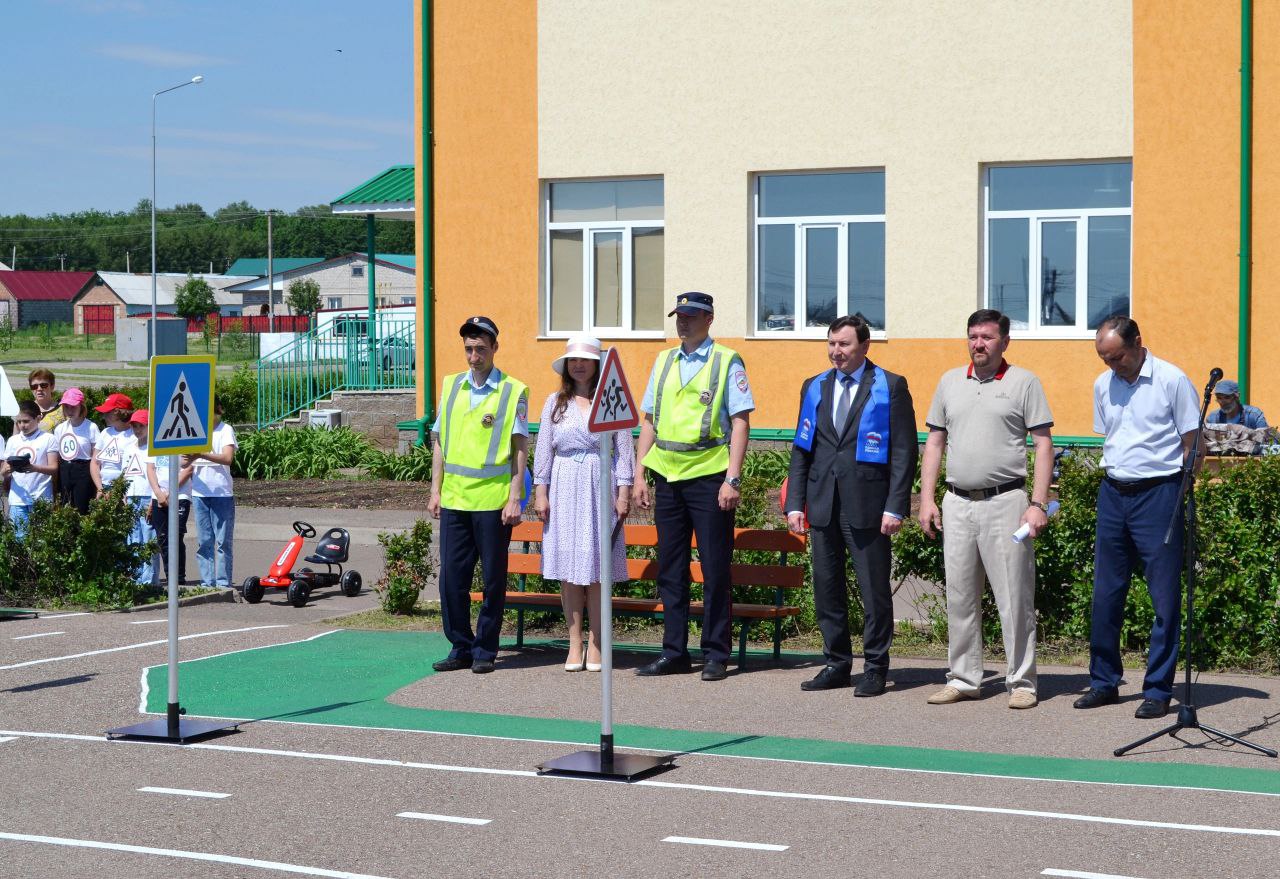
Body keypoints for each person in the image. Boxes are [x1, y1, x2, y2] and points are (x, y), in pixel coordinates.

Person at [917, 309, 1054, 710]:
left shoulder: (1024, 382)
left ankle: (1022, 682)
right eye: (973, 336)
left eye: (987, 337)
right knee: (960, 596)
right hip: (957, 502)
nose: (978, 344)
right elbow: (935, 443)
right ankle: (963, 678)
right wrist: (927, 498)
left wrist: (1038, 504)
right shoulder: (949, 382)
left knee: (1014, 597)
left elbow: (1043, 444)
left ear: (1005, 342)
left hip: (1006, 503)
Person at [1076, 315, 1202, 720]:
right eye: (1105, 359)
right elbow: (1112, 438)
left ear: (1137, 343)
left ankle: (1158, 689)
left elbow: (1193, 443)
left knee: (1164, 597)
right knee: (1106, 594)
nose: (1113, 366)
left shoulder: (1171, 380)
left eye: (1118, 357)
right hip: (1114, 493)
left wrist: (1182, 490)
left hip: (1160, 494)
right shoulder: (1103, 384)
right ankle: (1104, 682)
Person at [785, 315, 918, 697]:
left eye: (844, 344)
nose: (836, 351)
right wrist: (795, 503)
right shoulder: (815, 386)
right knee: (827, 588)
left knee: (873, 590)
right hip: (822, 503)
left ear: (864, 346)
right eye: (831, 344)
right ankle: (836, 664)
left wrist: (896, 506)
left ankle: (875, 667)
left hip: (868, 505)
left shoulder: (890, 385)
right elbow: (802, 448)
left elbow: (904, 451)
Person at [632, 292, 753, 682]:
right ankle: (674, 652)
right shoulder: (664, 360)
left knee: (715, 568)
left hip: (709, 477)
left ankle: (716, 653)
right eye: (679, 316)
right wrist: (639, 473)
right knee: (671, 569)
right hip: (667, 477)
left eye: (691, 316)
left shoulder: (727, 360)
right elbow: (649, 420)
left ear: (709, 319)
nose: (682, 322)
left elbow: (740, 422)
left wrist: (732, 478)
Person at [427, 316, 529, 675]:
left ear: (495, 348)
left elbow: (520, 448)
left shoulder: (513, 391)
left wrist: (514, 496)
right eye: (469, 349)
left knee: (492, 581)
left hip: (493, 502)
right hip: (455, 499)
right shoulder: (451, 385)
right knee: (451, 580)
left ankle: (485, 649)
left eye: (481, 349)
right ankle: (461, 646)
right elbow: (439, 442)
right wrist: (435, 490)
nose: (474, 356)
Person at [533, 336, 634, 672]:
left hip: (599, 485)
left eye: (585, 360)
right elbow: (543, 450)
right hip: (563, 485)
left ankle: (597, 642)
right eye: (573, 360)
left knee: (597, 569)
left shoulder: (611, 398)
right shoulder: (554, 403)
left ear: (596, 365)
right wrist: (541, 492)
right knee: (570, 571)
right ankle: (574, 642)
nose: (578, 365)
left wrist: (623, 492)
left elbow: (624, 450)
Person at [185, 397, 237, 588]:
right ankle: (207, 583)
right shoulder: (195, 431)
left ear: (219, 410)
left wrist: (201, 454)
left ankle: (223, 583)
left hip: (221, 493)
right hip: (199, 493)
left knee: (223, 542)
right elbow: (183, 462)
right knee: (204, 541)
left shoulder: (225, 430)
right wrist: (189, 457)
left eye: (211, 411)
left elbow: (227, 458)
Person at [1, 400, 58, 538]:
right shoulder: (13, 440)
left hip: (41, 497)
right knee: (19, 539)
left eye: (26, 421)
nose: (22, 425)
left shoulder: (48, 439)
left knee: (41, 539)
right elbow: (3, 470)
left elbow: (54, 468)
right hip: (17, 498)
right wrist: (6, 471)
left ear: (38, 418)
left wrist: (34, 468)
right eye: (19, 422)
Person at [147, 445, 194, 586]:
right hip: (158, 497)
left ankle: (179, 580)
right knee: (162, 539)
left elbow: (189, 468)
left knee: (176, 537)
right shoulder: (157, 441)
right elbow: (151, 468)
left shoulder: (185, 440)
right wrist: (157, 493)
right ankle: (171, 579)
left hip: (180, 496)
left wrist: (168, 492)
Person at [122, 409, 158, 587]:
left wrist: (153, 500)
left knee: (148, 540)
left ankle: (149, 582)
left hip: (146, 496)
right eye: (134, 426)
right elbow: (124, 474)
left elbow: (155, 476)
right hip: (131, 497)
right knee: (134, 539)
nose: (137, 430)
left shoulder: (153, 449)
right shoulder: (129, 448)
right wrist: (123, 495)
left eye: (141, 426)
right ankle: (136, 580)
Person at [52, 387, 98, 514]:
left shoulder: (91, 427)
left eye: (73, 407)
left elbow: (95, 454)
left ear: (81, 407)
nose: (69, 410)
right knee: (64, 506)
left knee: (82, 508)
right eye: (66, 407)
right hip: (65, 469)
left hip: (84, 469)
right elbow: (57, 454)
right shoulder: (60, 429)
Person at [91, 393, 134, 497]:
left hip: (125, 489)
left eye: (107, 413)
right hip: (104, 486)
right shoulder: (105, 432)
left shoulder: (134, 435)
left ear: (118, 412)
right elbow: (95, 463)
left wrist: (119, 489)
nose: (104, 416)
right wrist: (100, 488)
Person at [27, 368, 64, 434]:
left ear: (52, 386)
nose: (39, 389)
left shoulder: (64, 410)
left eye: (43, 385)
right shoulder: (24, 410)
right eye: (34, 386)